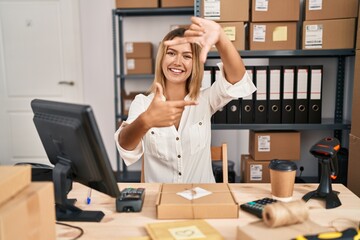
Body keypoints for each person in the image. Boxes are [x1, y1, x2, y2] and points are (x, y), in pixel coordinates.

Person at [114, 16, 256, 183]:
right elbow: (125, 146)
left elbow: (237, 80)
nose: (178, 62)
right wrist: (146, 120)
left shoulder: (205, 99)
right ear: (162, 59)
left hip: (202, 199)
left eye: (187, 56)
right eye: (171, 53)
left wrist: (220, 38)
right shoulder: (143, 103)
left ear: (194, 63)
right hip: (161, 201)